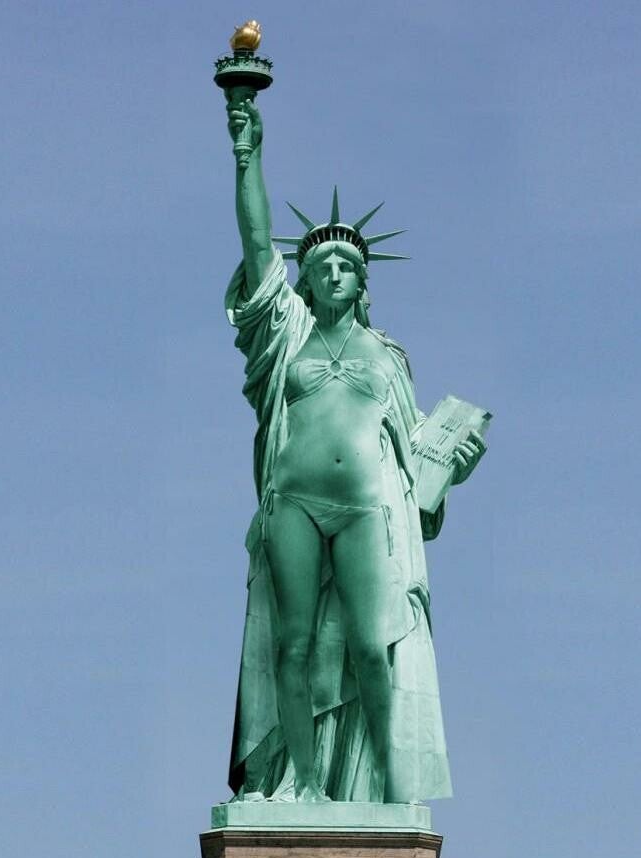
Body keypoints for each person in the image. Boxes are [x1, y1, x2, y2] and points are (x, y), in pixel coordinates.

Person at [223, 96, 486, 804]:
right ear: (304, 279)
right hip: (295, 501)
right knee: (293, 645)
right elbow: (256, 243)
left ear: (363, 281)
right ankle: (306, 785)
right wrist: (247, 153)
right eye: (322, 264)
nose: (335, 272)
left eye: (346, 263)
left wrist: (452, 471)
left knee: (374, 645)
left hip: (367, 506)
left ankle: (390, 790)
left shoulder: (387, 356)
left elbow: (414, 459)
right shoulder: (287, 337)